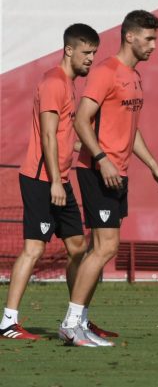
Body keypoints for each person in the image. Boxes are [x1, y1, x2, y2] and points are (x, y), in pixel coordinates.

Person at [58, 10, 158, 347]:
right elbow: (81, 120)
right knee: (106, 246)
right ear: (129, 36)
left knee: (100, 247)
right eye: (149, 38)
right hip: (98, 171)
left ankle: (80, 321)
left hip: (117, 172)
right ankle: (71, 324)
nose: (153, 45)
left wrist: (153, 165)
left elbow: (130, 130)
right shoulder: (106, 71)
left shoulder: (134, 76)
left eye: (155, 39)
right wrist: (102, 160)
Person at [0, 24, 100, 341]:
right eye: (86, 52)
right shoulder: (54, 82)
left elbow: (63, 137)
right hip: (42, 180)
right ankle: (8, 322)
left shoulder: (67, 84)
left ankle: (77, 319)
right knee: (34, 249)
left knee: (78, 247)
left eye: (94, 53)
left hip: (59, 179)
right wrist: (55, 181)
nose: (91, 58)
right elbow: (47, 136)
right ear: (69, 50)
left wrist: (93, 153)